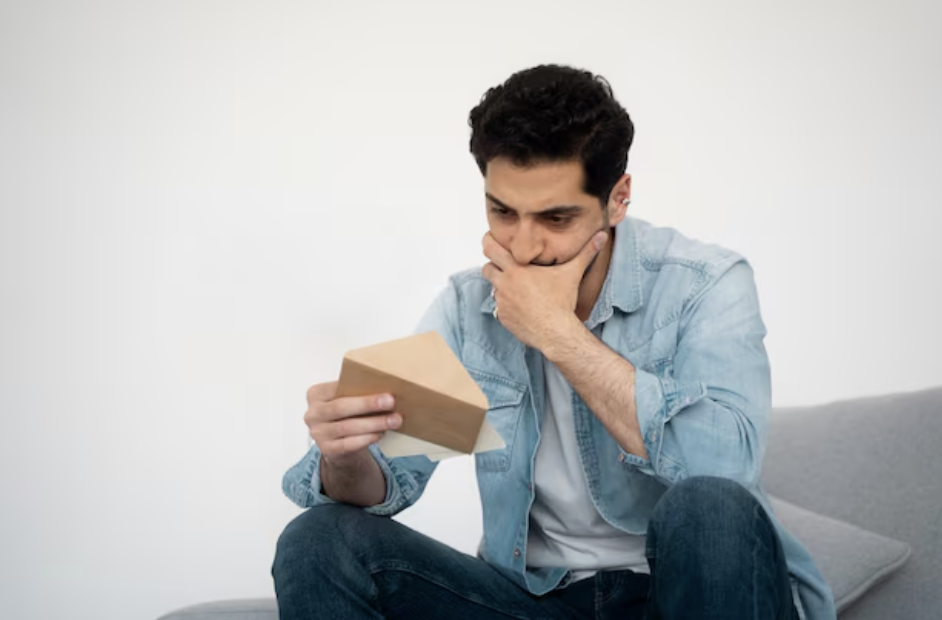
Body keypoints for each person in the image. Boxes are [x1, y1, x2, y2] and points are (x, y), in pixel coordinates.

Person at [272, 64, 836, 620]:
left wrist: (561, 336)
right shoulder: (469, 308)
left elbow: (726, 469)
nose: (522, 247)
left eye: (556, 218)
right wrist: (344, 457)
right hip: (535, 603)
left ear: (618, 198)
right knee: (319, 539)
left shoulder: (705, 283)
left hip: (685, 598)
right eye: (502, 212)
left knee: (709, 505)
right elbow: (389, 481)